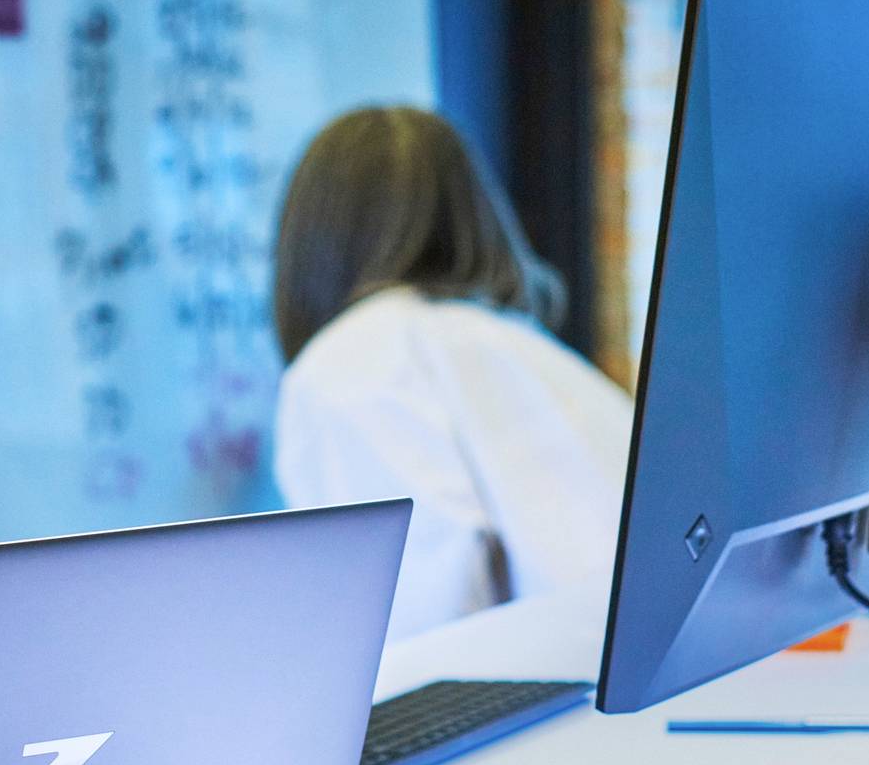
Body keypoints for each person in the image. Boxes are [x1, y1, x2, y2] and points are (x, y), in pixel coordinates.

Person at [270, 105, 633, 641]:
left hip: (562, 686)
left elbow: (425, 615)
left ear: (309, 245)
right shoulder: (517, 345)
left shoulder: (348, 362)